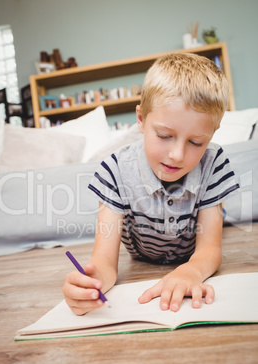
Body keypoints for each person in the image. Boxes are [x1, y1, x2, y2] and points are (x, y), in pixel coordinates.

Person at [62, 52, 239, 316]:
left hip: (191, 248)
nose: (177, 155)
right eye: (165, 135)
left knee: (220, 220)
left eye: (196, 142)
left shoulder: (213, 164)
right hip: (142, 257)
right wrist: (91, 283)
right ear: (142, 119)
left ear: (212, 134)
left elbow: (210, 249)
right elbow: (105, 261)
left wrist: (191, 271)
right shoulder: (115, 171)